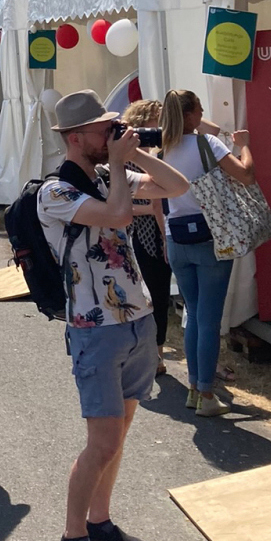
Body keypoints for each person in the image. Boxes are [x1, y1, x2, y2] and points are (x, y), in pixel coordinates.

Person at [38, 89, 188, 541]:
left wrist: (135, 150)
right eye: (105, 129)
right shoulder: (55, 192)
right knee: (101, 441)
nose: (112, 133)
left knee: (118, 435)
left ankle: (99, 520)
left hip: (136, 319)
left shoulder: (109, 173)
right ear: (77, 137)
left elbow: (177, 185)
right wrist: (121, 168)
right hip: (94, 328)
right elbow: (118, 215)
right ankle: (72, 536)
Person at [160, 89, 257, 417]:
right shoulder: (208, 145)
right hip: (210, 238)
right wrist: (244, 146)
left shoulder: (162, 150)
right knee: (208, 319)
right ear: (189, 115)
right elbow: (245, 175)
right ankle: (205, 392)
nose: (203, 116)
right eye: (199, 110)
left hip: (177, 239)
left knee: (195, 314)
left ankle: (194, 388)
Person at [121, 100, 171, 375]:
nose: (162, 126)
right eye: (158, 119)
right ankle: (155, 354)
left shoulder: (150, 155)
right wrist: (152, 212)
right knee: (155, 294)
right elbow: (144, 204)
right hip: (144, 234)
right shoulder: (134, 159)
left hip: (147, 229)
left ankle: (155, 353)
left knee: (155, 296)